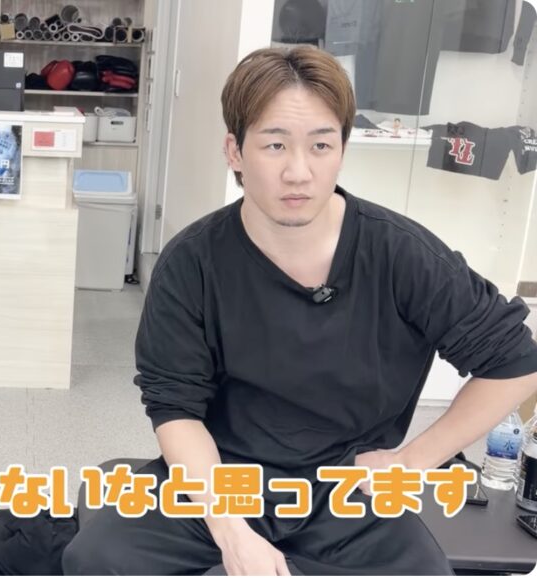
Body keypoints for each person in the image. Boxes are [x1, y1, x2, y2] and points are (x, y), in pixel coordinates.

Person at [63, 45, 537, 575]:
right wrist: (230, 531)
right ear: (234, 151)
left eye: (321, 145)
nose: (299, 172)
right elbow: (175, 409)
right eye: (274, 145)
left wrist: (412, 460)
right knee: (97, 559)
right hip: (220, 479)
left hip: (347, 491)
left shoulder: (400, 254)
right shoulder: (191, 263)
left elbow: (515, 361)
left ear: (342, 149)